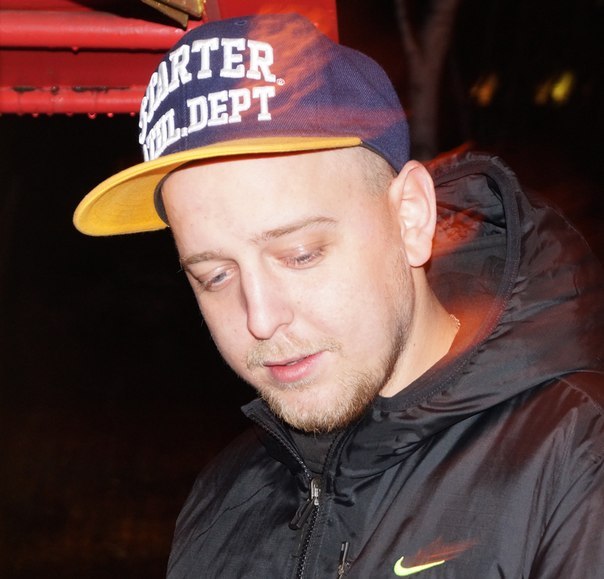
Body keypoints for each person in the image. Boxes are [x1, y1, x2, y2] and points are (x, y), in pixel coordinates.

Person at [74, 12, 604, 578]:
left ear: (411, 216)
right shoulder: (222, 502)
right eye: (215, 276)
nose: (261, 319)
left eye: (301, 254)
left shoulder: (577, 460)